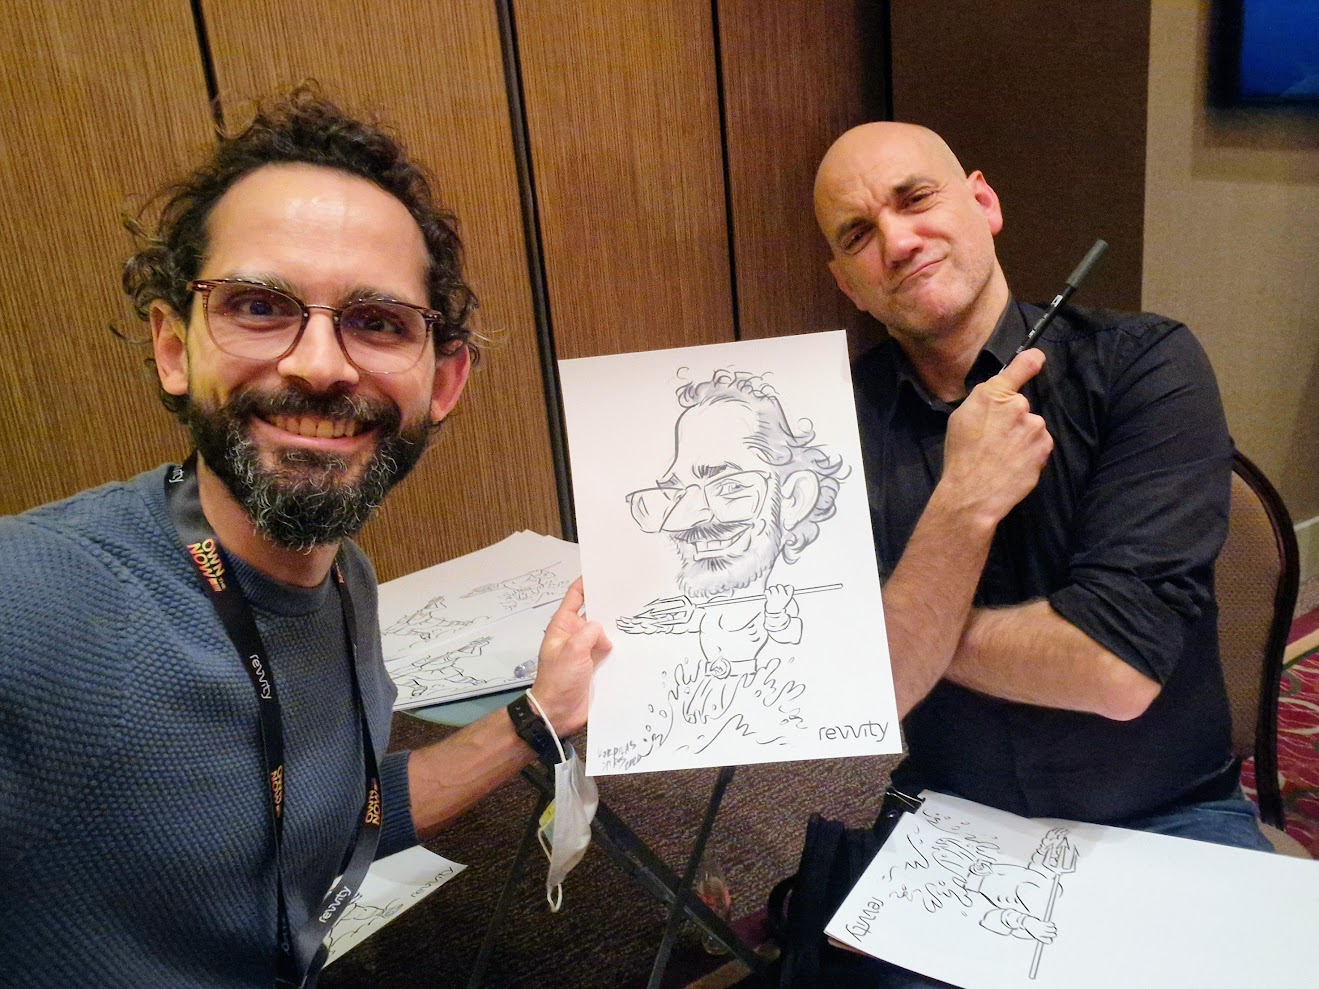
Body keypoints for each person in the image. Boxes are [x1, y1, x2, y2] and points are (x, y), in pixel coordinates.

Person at [0, 87, 610, 988]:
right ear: (174, 347)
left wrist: (539, 715)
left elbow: (335, 816)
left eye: (377, 322)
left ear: (443, 383)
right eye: (258, 306)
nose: (320, 365)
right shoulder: (37, 601)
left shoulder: (344, 579)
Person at [813, 122, 1270, 853]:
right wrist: (964, 501)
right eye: (858, 234)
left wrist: (905, 634)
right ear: (847, 283)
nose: (897, 242)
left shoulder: (1145, 365)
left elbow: (1115, 670)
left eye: (915, 198)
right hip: (947, 809)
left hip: (1164, 813)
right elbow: (850, 699)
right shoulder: (825, 425)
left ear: (983, 202)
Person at [618, 369, 846, 678]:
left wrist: (776, 613)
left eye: (729, 486)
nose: (687, 517)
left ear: (793, 499)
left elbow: (789, 635)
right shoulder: (696, 618)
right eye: (675, 494)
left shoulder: (806, 624)